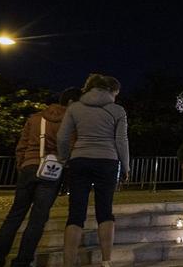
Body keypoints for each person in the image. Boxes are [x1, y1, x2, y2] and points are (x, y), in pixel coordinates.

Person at [0, 87, 82, 267]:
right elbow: (71, 148)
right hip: (51, 171)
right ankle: (22, 261)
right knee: (38, 219)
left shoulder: (35, 118)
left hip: (28, 167)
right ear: (71, 103)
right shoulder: (71, 123)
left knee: (14, 215)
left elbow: (21, 147)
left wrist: (22, 166)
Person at [58, 74, 129, 267]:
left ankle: (68, 263)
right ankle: (106, 261)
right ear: (108, 90)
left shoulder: (75, 108)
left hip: (79, 159)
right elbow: (121, 141)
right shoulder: (118, 110)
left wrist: (64, 158)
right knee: (105, 211)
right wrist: (126, 166)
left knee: (75, 214)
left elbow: (63, 137)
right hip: (107, 161)